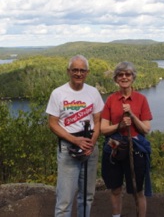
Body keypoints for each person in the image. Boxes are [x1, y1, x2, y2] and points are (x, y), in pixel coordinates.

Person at [46, 55, 104, 217]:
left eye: (82, 70)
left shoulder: (93, 92)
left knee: (87, 196)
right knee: (64, 200)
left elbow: (98, 121)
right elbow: (52, 123)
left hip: (90, 147)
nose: (78, 73)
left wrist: (91, 144)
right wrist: (75, 140)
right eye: (75, 70)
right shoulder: (58, 93)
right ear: (68, 71)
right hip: (68, 147)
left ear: (87, 72)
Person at [100, 61, 153, 217]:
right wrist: (120, 126)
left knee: (138, 191)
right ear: (116, 79)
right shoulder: (110, 100)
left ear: (133, 77)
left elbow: (146, 129)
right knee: (115, 189)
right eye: (120, 75)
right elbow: (103, 129)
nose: (124, 77)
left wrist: (133, 116)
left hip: (135, 151)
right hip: (115, 149)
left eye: (127, 74)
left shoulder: (141, 99)